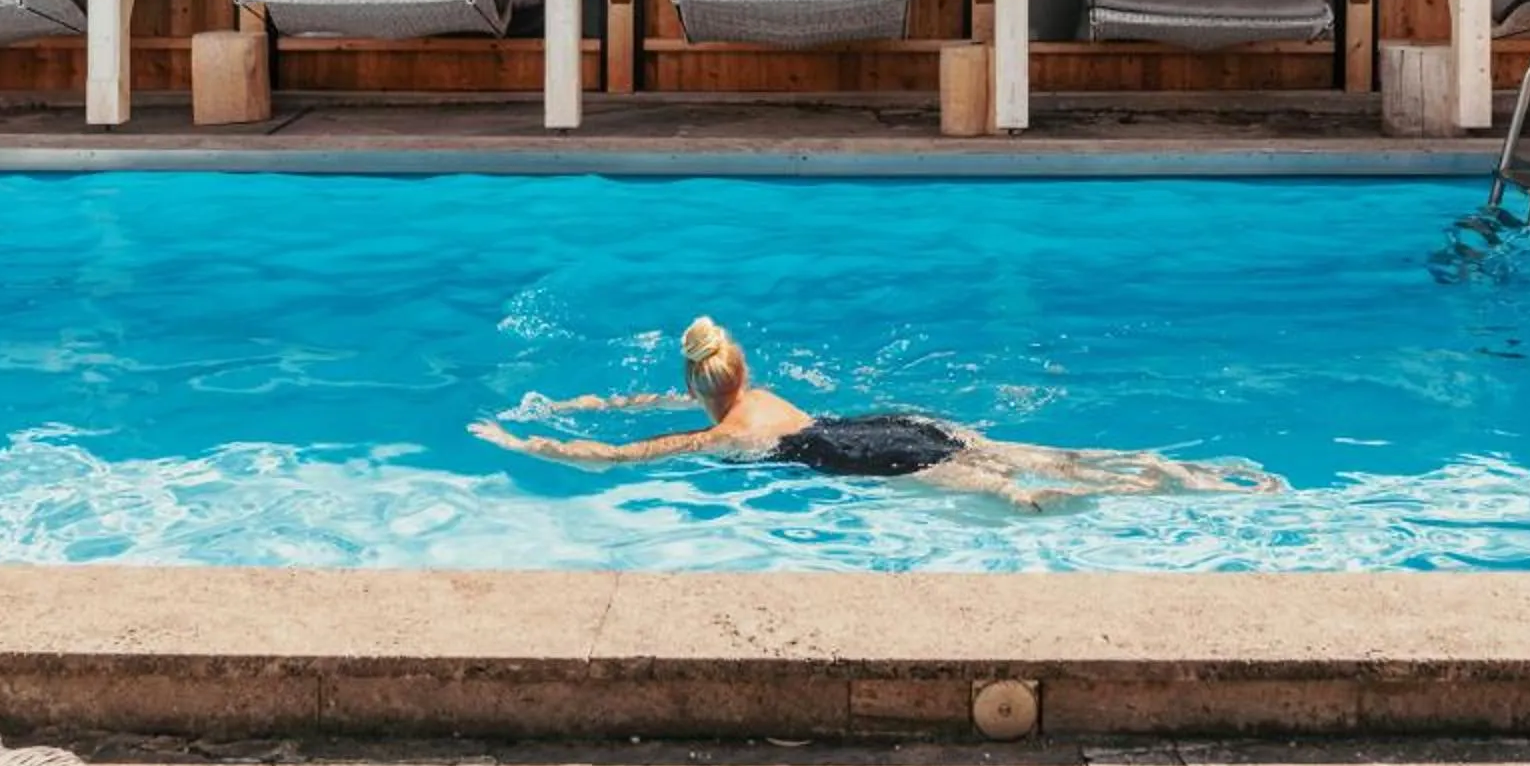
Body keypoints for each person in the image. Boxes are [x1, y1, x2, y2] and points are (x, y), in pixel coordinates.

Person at [469, 317, 1280, 509]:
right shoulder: (762, 396)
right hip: (885, 423)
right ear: (741, 366)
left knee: (1017, 499)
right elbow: (665, 393)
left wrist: (520, 439)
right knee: (1030, 452)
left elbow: (613, 458)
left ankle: (1130, 492)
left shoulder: (716, 432)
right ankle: (1163, 469)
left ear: (694, 390)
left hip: (859, 459)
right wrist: (599, 399)